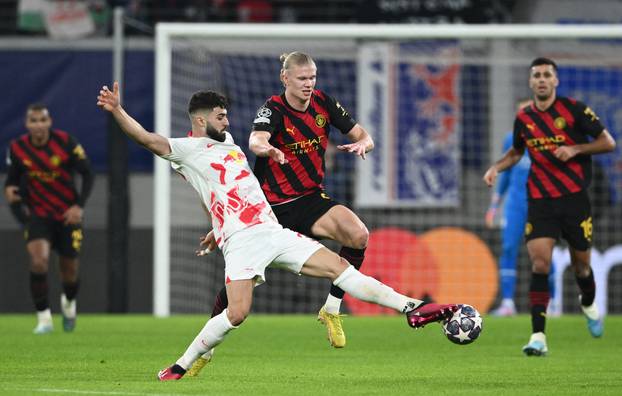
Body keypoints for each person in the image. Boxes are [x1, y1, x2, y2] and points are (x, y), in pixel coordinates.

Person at [96, 82, 458, 381]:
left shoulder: (228, 144)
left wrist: (214, 224)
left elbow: (224, 192)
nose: (227, 119)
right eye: (220, 116)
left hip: (272, 229)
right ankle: (181, 365)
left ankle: (414, 307)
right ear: (201, 120)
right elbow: (145, 138)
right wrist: (117, 111)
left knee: (339, 268)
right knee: (237, 313)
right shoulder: (187, 149)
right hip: (241, 241)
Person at [201, 51, 374, 361]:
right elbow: (256, 139)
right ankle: (206, 347)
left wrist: (364, 143)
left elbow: (363, 135)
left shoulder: (324, 103)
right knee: (238, 289)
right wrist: (267, 149)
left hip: (309, 200)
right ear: (285, 79)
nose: (308, 84)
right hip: (269, 209)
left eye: (312, 78)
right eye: (302, 78)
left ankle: (331, 308)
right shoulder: (273, 109)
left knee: (358, 234)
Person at [483, 57, 616, 356]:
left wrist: (576, 149)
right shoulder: (525, 118)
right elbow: (517, 152)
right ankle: (538, 337)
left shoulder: (574, 110)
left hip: (574, 199)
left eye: (547, 75)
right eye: (536, 75)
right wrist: (496, 168)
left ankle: (588, 303)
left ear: (555, 80)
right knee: (539, 263)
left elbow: (608, 142)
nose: (542, 79)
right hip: (540, 200)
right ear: (531, 82)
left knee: (582, 266)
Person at [4, 104, 94, 334]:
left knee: (69, 272)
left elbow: (88, 173)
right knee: (38, 262)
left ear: (49, 121)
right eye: (33, 121)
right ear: (27, 124)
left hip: (67, 216)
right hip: (38, 216)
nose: (38, 125)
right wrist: (20, 210)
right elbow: (11, 184)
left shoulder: (66, 142)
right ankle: (44, 319)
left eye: (41, 120)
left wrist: (78, 206)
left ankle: (69, 303)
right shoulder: (17, 148)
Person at [485, 99, 558, 317]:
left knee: (544, 255)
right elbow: (506, 174)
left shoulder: (550, 140)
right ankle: (508, 303)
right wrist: (494, 206)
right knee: (508, 249)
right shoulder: (511, 139)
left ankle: (551, 303)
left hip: (541, 205)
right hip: (515, 206)